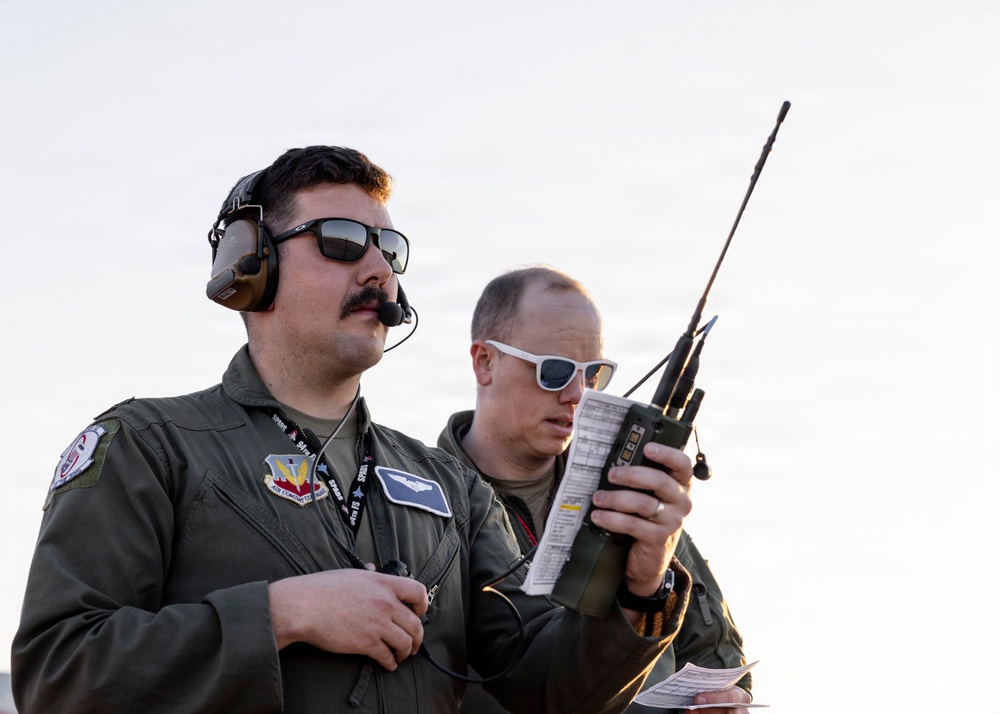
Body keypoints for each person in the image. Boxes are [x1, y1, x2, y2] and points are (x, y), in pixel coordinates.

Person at [13, 146, 702, 713]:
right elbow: (57, 674)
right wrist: (280, 616)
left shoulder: (452, 487)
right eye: (341, 242)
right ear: (253, 266)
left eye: (390, 250)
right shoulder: (150, 445)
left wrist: (640, 588)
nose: (379, 271)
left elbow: (550, 688)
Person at [438, 266, 753, 714]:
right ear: (485, 361)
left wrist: (728, 694)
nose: (577, 394)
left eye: (593, 375)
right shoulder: (428, 503)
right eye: (554, 371)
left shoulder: (625, 494)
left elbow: (715, 651)